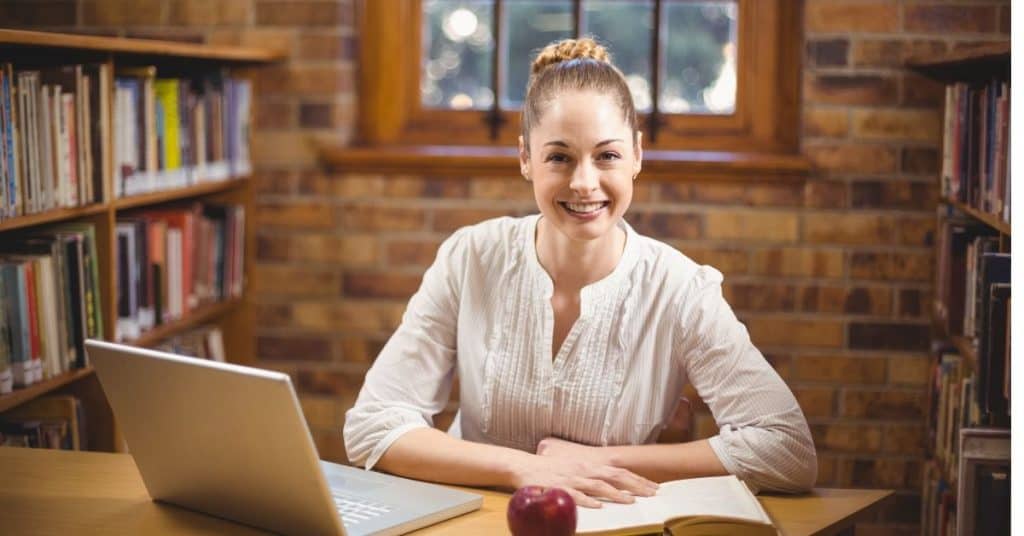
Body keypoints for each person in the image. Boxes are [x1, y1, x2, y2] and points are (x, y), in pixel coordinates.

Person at [344, 37, 816, 508]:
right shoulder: (471, 257)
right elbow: (373, 426)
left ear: (636, 155)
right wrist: (526, 467)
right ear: (526, 158)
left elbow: (786, 448)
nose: (584, 183)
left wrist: (602, 461)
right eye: (559, 157)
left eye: (606, 155)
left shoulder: (679, 289)